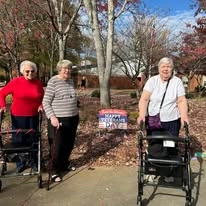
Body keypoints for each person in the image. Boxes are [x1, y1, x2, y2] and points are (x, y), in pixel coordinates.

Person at [137, 57, 189, 183]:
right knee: (155, 146)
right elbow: (144, 99)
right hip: (155, 120)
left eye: (168, 66)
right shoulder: (152, 81)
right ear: (159, 68)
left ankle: (168, 172)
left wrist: (184, 116)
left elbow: (181, 100)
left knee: (170, 146)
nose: (166, 69)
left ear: (172, 69)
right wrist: (142, 115)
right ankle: (153, 171)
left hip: (171, 121)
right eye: (163, 67)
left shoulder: (177, 82)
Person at [0, 60, 44, 173]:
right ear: (22, 71)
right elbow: (2, 93)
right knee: (19, 139)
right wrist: (3, 106)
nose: (30, 73)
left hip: (34, 116)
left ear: (35, 72)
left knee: (33, 139)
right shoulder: (15, 82)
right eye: (27, 71)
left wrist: (41, 105)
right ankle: (20, 163)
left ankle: (34, 162)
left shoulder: (38, 83)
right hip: (18, 116)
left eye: (32, 71)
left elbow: (43, 98)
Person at [43, 59, 79, 182]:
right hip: (58, 119)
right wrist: (52, 117)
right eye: (65, 68)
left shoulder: (70, 81)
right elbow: (46, 102)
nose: (68, 71)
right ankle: (53, 170)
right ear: (59, 70)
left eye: (69, 68)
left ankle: (64, 164)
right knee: (57, 146)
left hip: (73, 117)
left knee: (69, 144)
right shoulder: (53, 81)